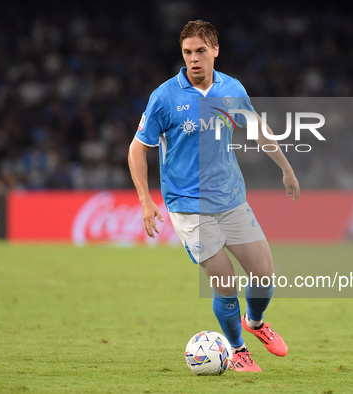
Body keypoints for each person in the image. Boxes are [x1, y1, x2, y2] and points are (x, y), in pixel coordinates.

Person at [128, 20, 300, 372]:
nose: (194, 59)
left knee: (265, 274)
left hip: (231, 199)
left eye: (200, 51)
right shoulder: (164, 97)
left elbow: (257, 129)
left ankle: (255, 322)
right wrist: (146, 201)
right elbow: (136, 150)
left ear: (215, 51)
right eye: (187, 52)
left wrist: (285, 167)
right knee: (225, 282)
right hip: (189, 207)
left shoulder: (231, 89)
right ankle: (237, 349)